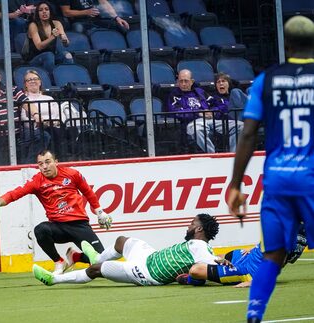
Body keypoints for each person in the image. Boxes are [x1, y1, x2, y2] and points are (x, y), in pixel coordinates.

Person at [227, 15, 314, 323]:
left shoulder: (267, 80)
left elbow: (248, 134)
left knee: (273, 254)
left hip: (277, 179)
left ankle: (254, 316)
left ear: (286, 44)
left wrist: (235, 184)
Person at [0, 149, 113, 274]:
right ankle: (59, 262)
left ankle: (75, 257)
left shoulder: (72, 174)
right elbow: (15, 194)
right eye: (40, 164)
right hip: (58, 228)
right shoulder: (37, 181)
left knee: (102, 260)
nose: (44, 166)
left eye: (48, 162)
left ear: (56, 162)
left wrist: (100, 212)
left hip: (79, 225)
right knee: (40, 230)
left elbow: (88, 192)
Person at [33, 213, 224, 286]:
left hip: (147, 273)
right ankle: (97, 256)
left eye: (191, 224)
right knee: (122, 241)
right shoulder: (200, 247)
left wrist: (221, 262)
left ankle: (53, 279)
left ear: (198, 229)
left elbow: (208, 266)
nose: (188, 226)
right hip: (150, 256)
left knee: (96, 270)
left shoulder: (201, 247)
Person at [176, 226, 308, 288]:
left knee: (195, 270)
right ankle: (207, 274)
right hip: (249, 256)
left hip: (247, 272)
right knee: (220, 256)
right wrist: (255, 248)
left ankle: (194, 280)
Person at [168, 69, 240, 153]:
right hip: (193, 122)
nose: (183, 84)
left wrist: (213, 112)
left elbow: (218, 103)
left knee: (239, 125)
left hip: (211, 120)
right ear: (177, 82)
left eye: (186, 81)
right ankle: (213, 155)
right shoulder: (174, 95)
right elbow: (176, 112)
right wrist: (198, 113)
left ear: (192, 81)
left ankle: (233, 155)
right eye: (181, 81)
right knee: (197, 130)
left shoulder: (200, 92)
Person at [27, 1, 73, 73]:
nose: (44, 12)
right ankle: (51, 81)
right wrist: (52, 36)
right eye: (41, 10)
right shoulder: (33, 25)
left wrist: (64, 40)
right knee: (49, 55)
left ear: (50, 12)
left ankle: (68, 79)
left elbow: (66, 44)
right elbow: (39, 46)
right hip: (35, 58)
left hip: (52, 55)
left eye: (46, 9)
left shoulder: (57, 23)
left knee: (67, 55)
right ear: (37, 13)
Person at [60, 0, 130, 34]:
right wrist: (85, 12)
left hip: (96, 19)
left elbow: (104, 3)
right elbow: (66, 12)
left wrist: (117, 18)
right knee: (78, 28)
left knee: (120, 26)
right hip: (80, 21)